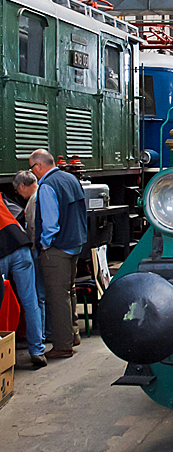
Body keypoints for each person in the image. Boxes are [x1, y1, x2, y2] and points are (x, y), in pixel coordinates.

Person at [29, 149, 88, 360]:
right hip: (75, 244)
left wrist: (45, 245)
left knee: (57, 296)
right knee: (69, 291)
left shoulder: (47, 186)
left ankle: (63, 346)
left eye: (32, 167)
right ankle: (72, 335)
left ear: (38, 166)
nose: (33, 172)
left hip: (58, 249)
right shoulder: (71, 178)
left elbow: (50, 224)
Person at [0, 192, 46, 368]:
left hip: (2, 252)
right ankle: (37, 351)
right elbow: (20, 212)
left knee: (2, 301)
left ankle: (3, 349)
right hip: (21, 245)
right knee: (30, 301)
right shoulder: (2, 197)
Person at [12, 170, 46, 344]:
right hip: (34, 251)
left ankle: (40, 336)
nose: (19, 195)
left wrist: (34, 251)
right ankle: (38, 344)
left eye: (18, 191)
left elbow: (32, 229)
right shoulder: (42, 193)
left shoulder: (33, 201)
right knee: (34, 299)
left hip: (36, 251)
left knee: (37, 297)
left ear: (23, 186)